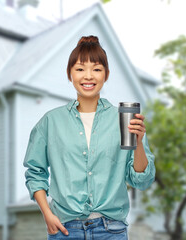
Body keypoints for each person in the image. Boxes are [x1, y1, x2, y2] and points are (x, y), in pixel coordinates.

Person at [23, 35, 155, 239]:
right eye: (80, 69)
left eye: (96, 69)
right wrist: (47, 214)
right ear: (70, 74)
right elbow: (35, 172)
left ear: (106, 74)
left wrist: (138, 143)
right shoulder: (50, 122)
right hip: (65, 230)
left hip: (112, 231)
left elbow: (141, 181)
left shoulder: (124, 119)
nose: (88, 76)